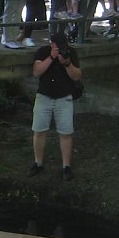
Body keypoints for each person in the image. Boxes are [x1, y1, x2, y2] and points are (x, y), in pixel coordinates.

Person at [29, 32, 82, 181]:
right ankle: (37, 162)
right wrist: (51, 57)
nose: (58, 48)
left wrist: (67, 63)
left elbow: (77, 76)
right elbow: (36, 71)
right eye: (55, 45)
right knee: (39, 131)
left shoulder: (71, 53)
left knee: (65, 133)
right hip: (44, 96)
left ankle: (66, 166)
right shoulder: (43, 51)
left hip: (64, 97)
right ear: (51, 44)